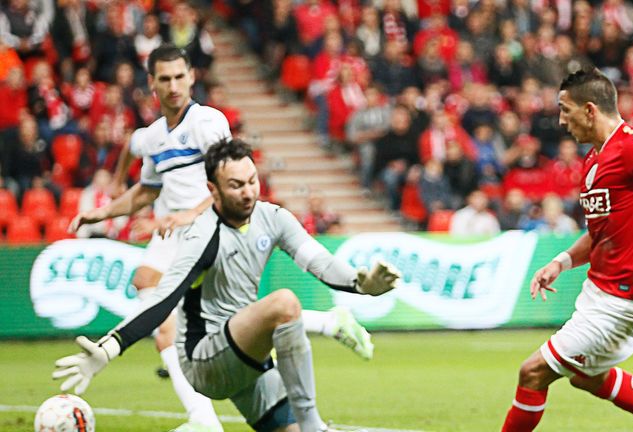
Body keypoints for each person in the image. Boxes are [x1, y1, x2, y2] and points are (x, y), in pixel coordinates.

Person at [69, 44, 375, 432]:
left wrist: (190, 215)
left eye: (180, 76)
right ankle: (206, 416)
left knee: (190, 312)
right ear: (152, 83)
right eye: (165, 78)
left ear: (192, 76)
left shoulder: (207, 123)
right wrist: (105, 210)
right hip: (179, 233)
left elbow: (223, 176)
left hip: (199, 225)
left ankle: (208, 417)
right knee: (156, 291)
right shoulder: (154, 137)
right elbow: (146, 190)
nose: (174, 85)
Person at [54, 138, 402, 432]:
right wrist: (111, 346)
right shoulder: (202, 235)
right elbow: (162, 300)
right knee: (284, 304)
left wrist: (362, 283)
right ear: (213, 190)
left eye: (252, 180)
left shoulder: (273, 217)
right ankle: (315, 426)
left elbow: (320, 261)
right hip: (204, 359)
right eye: (236, 185)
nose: (248, 192)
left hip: (246, 357)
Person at [501, 68, 633, 432]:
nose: (561, 120)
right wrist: (562, 261)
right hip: (600, 291)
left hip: (624, 297)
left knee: (533, 371)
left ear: (589, 110)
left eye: (565, 110)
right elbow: (601, 232)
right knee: (587, 377)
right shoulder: (594, 160)